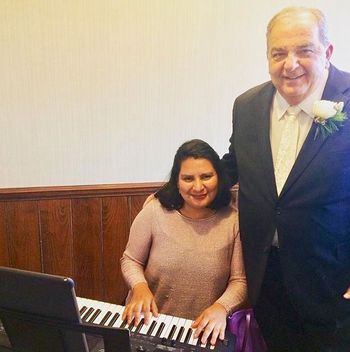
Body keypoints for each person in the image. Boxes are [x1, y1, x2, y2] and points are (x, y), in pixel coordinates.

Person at [221, 6, 350, 352]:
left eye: (304, 50)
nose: (290, 63)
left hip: (336, 283)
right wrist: (170, 194)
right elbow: (233, 165)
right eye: (278, 53)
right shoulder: (246, 106)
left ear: (327, 52)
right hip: (267, 277)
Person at [120, 139, 247, 346]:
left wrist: (221, 308)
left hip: (202, 333)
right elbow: (130, 260)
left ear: (219, 178)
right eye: (188, 178)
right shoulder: (154, 211)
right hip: (148, 325)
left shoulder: (234, 221)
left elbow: (240, 281)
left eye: (206, 176)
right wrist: (139, 287)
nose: (198, 186)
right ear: (177, 182)